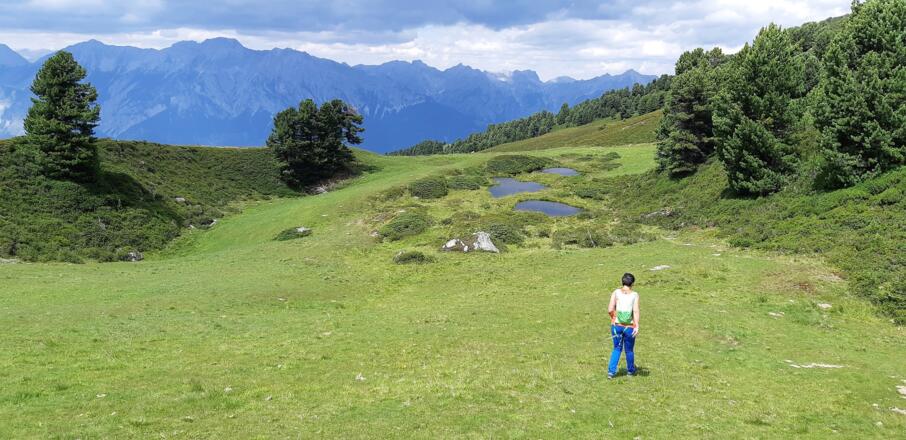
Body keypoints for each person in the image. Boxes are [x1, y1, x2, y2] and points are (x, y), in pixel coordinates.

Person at [607, 273, 640, 379]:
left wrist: (613, 317)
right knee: (629, 350)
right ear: (632, 283)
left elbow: (610, 309)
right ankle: (630, 370)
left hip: (616, 326)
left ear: (622, 282)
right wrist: (636, 325)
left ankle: (611, 372)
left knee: (617, 348)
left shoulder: (616, 292)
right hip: (629, 327)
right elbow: (635, 311)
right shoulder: (635, 295)